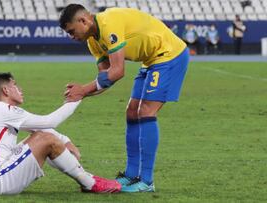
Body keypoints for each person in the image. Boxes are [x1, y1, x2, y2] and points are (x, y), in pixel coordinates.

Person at [59, 4, 189, 192]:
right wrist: (81, 94)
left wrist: (83, 90)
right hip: (151, 60)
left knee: (145, 111)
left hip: (169, 55)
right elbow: (105, 79)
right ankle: (130, 175)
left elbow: (118, 72)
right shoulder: (92, 42)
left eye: (71, 31)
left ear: (84, 21)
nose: (71, 37)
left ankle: (146, 181)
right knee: (131, 112)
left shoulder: (108, 23)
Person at [0, 72, 121, 195]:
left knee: (42, 137)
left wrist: (64, 140)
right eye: (15, 85)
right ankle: (91, 183)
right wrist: (76, 98)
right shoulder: (4, 110)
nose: (21, 89)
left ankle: (87, 181)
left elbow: (40, 127)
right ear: (6, 90)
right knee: (46, 140)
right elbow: (49, 122)